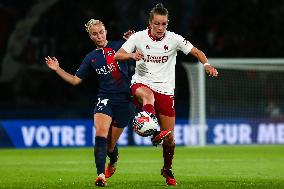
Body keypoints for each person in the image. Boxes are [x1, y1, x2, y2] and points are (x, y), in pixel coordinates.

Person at [45, 19, 169, 187]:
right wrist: (57, 69)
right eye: (95, 34)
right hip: (105, 99)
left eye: (101, 32)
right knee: (100, 134)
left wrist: (135, 41)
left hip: (124, 101)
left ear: (106, 31)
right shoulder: (91, 58)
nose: (99, 36)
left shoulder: (120, 45)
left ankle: (114, 158)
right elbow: (75, 80)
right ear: (90, 36)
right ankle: (100, 175)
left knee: (110, 146)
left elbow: (146, 49)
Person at [114, 3, 218, 186]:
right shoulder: (138, 37)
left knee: (169, 139)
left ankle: (167, 168)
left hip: (165, 91)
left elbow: (196, 51)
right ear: (150, 23)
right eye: (157, 24)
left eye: (164, 24)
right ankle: (152, 130)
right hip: (141, 84)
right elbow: (117, 55)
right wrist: (131, 56)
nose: (160, 28)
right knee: (148, 97)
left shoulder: (174, 39)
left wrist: (206, 64)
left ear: (167, 23)